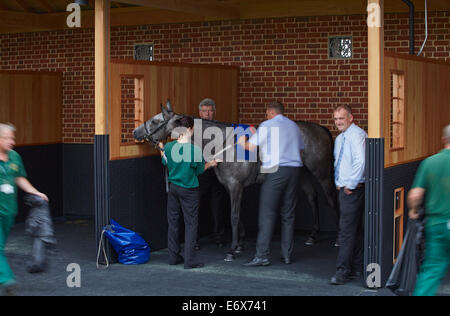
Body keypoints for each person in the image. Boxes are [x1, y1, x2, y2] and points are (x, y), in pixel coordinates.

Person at [238, 101, 304, 266]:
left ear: (270, 112)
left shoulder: (267, 125)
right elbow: (301, 149)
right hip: (295, 170)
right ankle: (287, 255)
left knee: (267, 213)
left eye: (266, 113)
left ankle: (262, 256)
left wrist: (241, 141)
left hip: (275, 171)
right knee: (288, 214)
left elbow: (251, 147)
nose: (266, 116)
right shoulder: (294, 126)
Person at [158, 116, 219, 269]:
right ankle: (190, 260)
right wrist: (211, 164)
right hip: (189, 191)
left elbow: (164, 160)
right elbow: (199, 170)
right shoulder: (194, 150)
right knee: (191, 225)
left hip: (173, 189)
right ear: (190, 129)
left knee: (173, 223)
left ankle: (173, 257)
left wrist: (160, 147)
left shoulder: (169, 147)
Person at [0, 123, 48, 295]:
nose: (11, 141)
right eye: (6, 138)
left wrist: (36, 192)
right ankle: (6, 280)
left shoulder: (14, 157)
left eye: (12, 137)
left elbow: (19, 178)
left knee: (0, 246)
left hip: (8, 211)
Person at [408, 124, 450, 296]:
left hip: (437, 224)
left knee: (431, 270)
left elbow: (415, 195)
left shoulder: (430, 162)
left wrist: (413, 211)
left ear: (443, 140)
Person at [330, 105, 367, 285]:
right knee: (355, 230)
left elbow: (361, 162)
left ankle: (342, 271)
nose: (338, 122)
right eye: (336, 119)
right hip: (345, 188)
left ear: (351, 118)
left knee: (345, 232)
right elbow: (340, 161)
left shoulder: (357, 135)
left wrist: (349, 185)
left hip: (353, 189)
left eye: (341, 118)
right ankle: (356, 267)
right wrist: (339, 183)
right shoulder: (340, 138)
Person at [196, 98, 226, 248]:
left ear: (214, 112)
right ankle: (194, 239)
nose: (207, 114)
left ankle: (218, 236)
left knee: (218, 205)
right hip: (201, 171)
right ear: (199, 113)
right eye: (204, 111)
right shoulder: (194, 128)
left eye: (210, 111)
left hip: (218, 171)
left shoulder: (221, 126)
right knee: (196, 205)